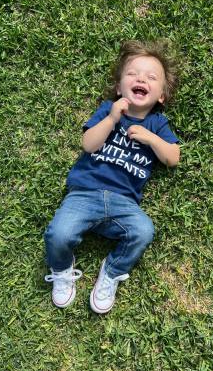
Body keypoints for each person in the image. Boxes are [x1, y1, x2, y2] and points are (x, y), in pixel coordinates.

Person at [44, 40, 180, 314]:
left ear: (161, 96)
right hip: (84, 194)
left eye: (152, 77)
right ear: (119, 88)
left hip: (124, 203)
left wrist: (151, 138)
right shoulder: (109, 110)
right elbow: (89, 145)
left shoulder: (157, 124)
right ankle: (61, 268)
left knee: (143, 231)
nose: (141, 78)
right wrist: (110, 120)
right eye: (133, 74)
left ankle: (112, 271)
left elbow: (172, 158)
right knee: (58, 234)